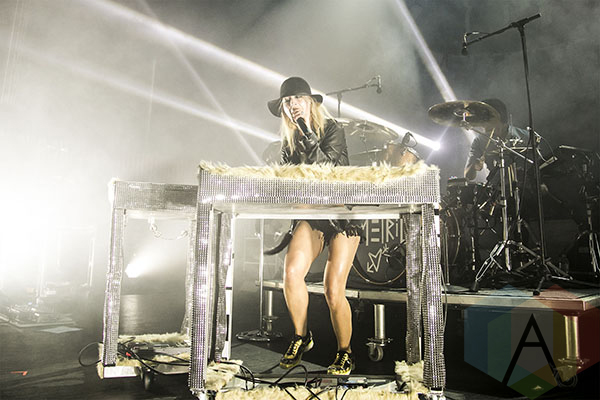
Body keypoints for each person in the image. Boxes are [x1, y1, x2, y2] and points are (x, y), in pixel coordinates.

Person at [266, 77, 363, 375]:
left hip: (340, 215)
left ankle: (345, 352)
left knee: (333, 290)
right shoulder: (288, 142)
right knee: (291, 273)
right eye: (287, 101)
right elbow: (291, 183)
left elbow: (329, 172)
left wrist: (308, 134)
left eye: (297, 98)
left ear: (309, 102)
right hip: (312, 215)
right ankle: (301, 336)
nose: (292, 104)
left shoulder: (333, 130)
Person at [464, 98, 529, 181]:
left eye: (485, 118)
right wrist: (474, 165)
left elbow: (538, 166)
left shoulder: (525, 136)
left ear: (497, 116)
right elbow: (468, 176)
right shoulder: (479, 141)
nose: (481, 123)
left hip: (525, 184)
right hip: (496, 187)